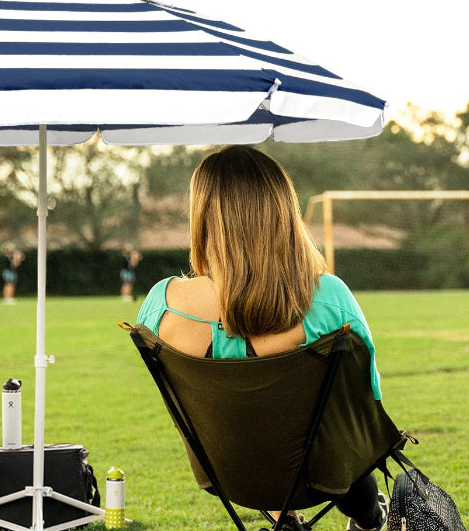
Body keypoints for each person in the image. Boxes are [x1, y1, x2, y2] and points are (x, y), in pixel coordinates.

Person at [134, 145, 387, 531]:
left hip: (230, 476)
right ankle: (369, 521)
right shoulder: (330, 297)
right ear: (283, 213)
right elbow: (366, 400)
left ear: (203, 216)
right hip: (321, 475)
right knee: (336, 443)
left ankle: (282, 516)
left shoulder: (161, 305)